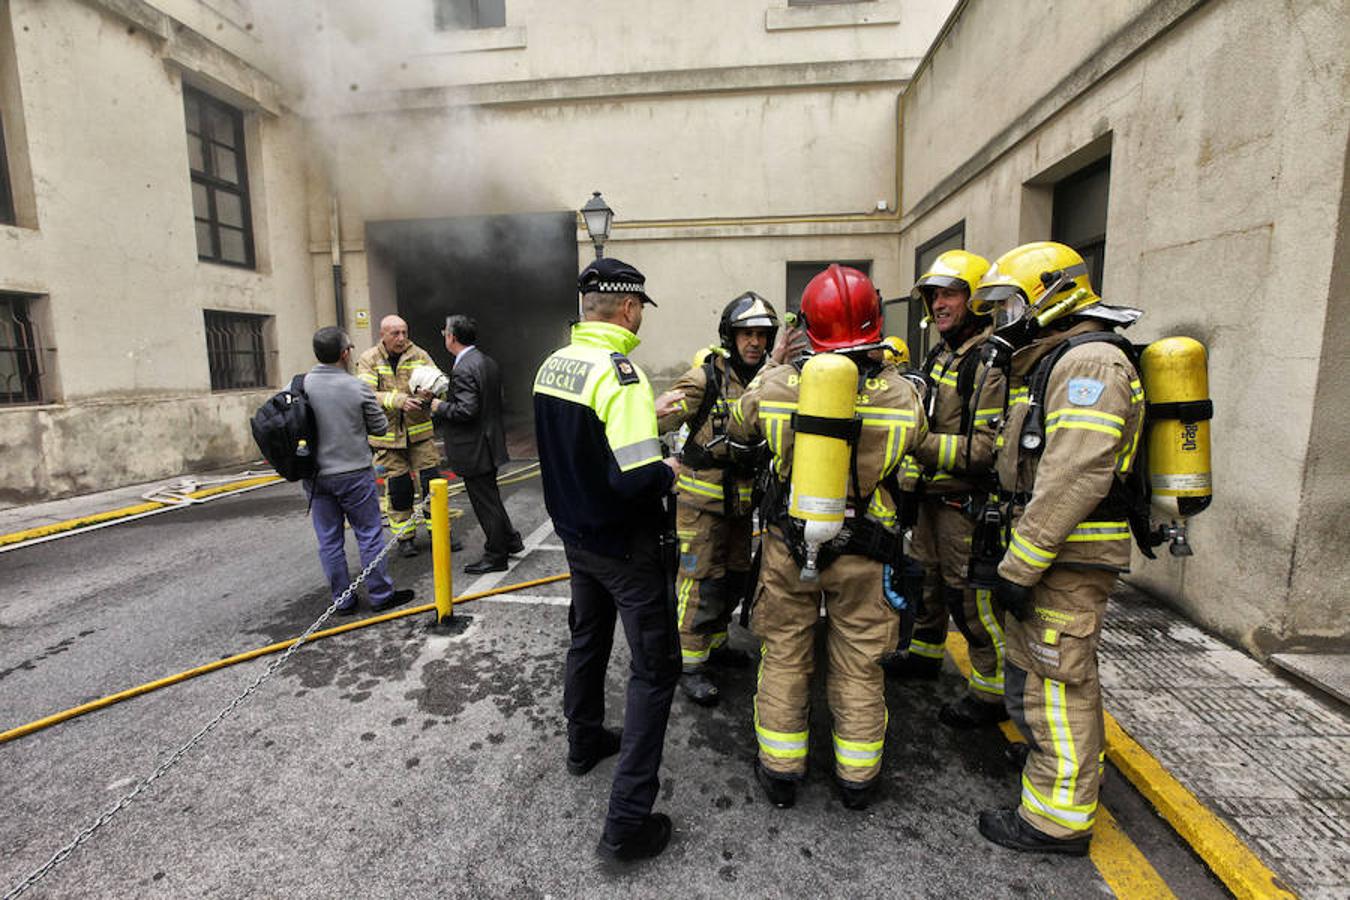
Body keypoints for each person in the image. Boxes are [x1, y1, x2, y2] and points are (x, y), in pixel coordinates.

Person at [730, 264, 928, 811]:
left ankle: (781, 770)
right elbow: (921, 442)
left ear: (809, 328)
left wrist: (774, 367)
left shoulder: (773, 387)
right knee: (860, 664)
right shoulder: (901, 396)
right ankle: (857, 780)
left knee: (787, 655)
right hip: (868, 551)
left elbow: (738, 428)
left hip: (789, 547)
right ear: (874, 325)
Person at [969, 241, 1145, 856]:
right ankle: (1052, 763)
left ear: (1049, 294)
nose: (1003, 318)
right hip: (1054, 555)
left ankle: (1056, 820)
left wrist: (1020, 563)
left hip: (1065, 556)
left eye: (1010, 303)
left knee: (1058, 680)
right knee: (1042, 671)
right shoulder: (1061, 358)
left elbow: (1075, 475)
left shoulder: (1090, 364)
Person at [532, 257, 683, 863]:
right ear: (627, 307)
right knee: (654, 671)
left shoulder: (554, 363)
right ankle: (627, 821)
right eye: (640, 307)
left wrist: (653, 414)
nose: (641, 316)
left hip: (576, 538)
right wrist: (667, 469)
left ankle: (584, 740)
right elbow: (632, 479)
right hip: (625, 546)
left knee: (588, 639)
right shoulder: (623, 376)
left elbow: (583, 443)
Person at [885, 250, 1011, 731]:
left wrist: (918, 444)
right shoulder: (942, 353)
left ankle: (990, 692)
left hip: (965, 504)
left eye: (950, 293)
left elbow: (984, 451)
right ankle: (923, 654)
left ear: (975, 300)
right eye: (934, 295)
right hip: (932, 499)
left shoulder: (988, 361)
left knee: (969, 601)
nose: (938, 303)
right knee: (928, 585)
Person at [656, 292, 781, 706]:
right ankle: (691, 665)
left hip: (742, 509)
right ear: (730, 336)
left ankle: (717, 643)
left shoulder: (768, 381)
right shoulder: (703, 379)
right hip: (700, 508)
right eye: (747, 334)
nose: (755, 343)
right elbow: (656, 421)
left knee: (734, 581)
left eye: (762, 336)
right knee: (698, 584)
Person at [302, 327, 414, 615]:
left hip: (316, 477)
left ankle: (343, 600)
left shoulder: (300, 386)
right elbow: (379, 427)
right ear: (344, 353)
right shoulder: (356, 387)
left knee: (328, 539)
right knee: (369, 534)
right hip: (353, 472)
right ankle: (380, 594)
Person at [427, 314, 523, 574]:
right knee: (490, 497)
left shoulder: (463, 367)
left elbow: (467, 410)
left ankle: (496, 555)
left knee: (484, 503)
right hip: (490, 441)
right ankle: (510, 540)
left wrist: (439, 405)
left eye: (444, 332)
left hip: (474, 447)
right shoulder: (486, 361)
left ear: (452, 337)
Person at [356, 315, 459, 557]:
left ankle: (440, 533)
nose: (402, 338)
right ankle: (405, 538)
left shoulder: (419, 355)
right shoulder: (369, 359)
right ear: (383, 335)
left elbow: (440, 384)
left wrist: (429, 393)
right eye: (395, 333)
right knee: (399, 489)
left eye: (404, 332)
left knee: (431, 484)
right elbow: (366, 394)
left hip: (420, 435)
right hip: (387, 438)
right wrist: (399, 401)